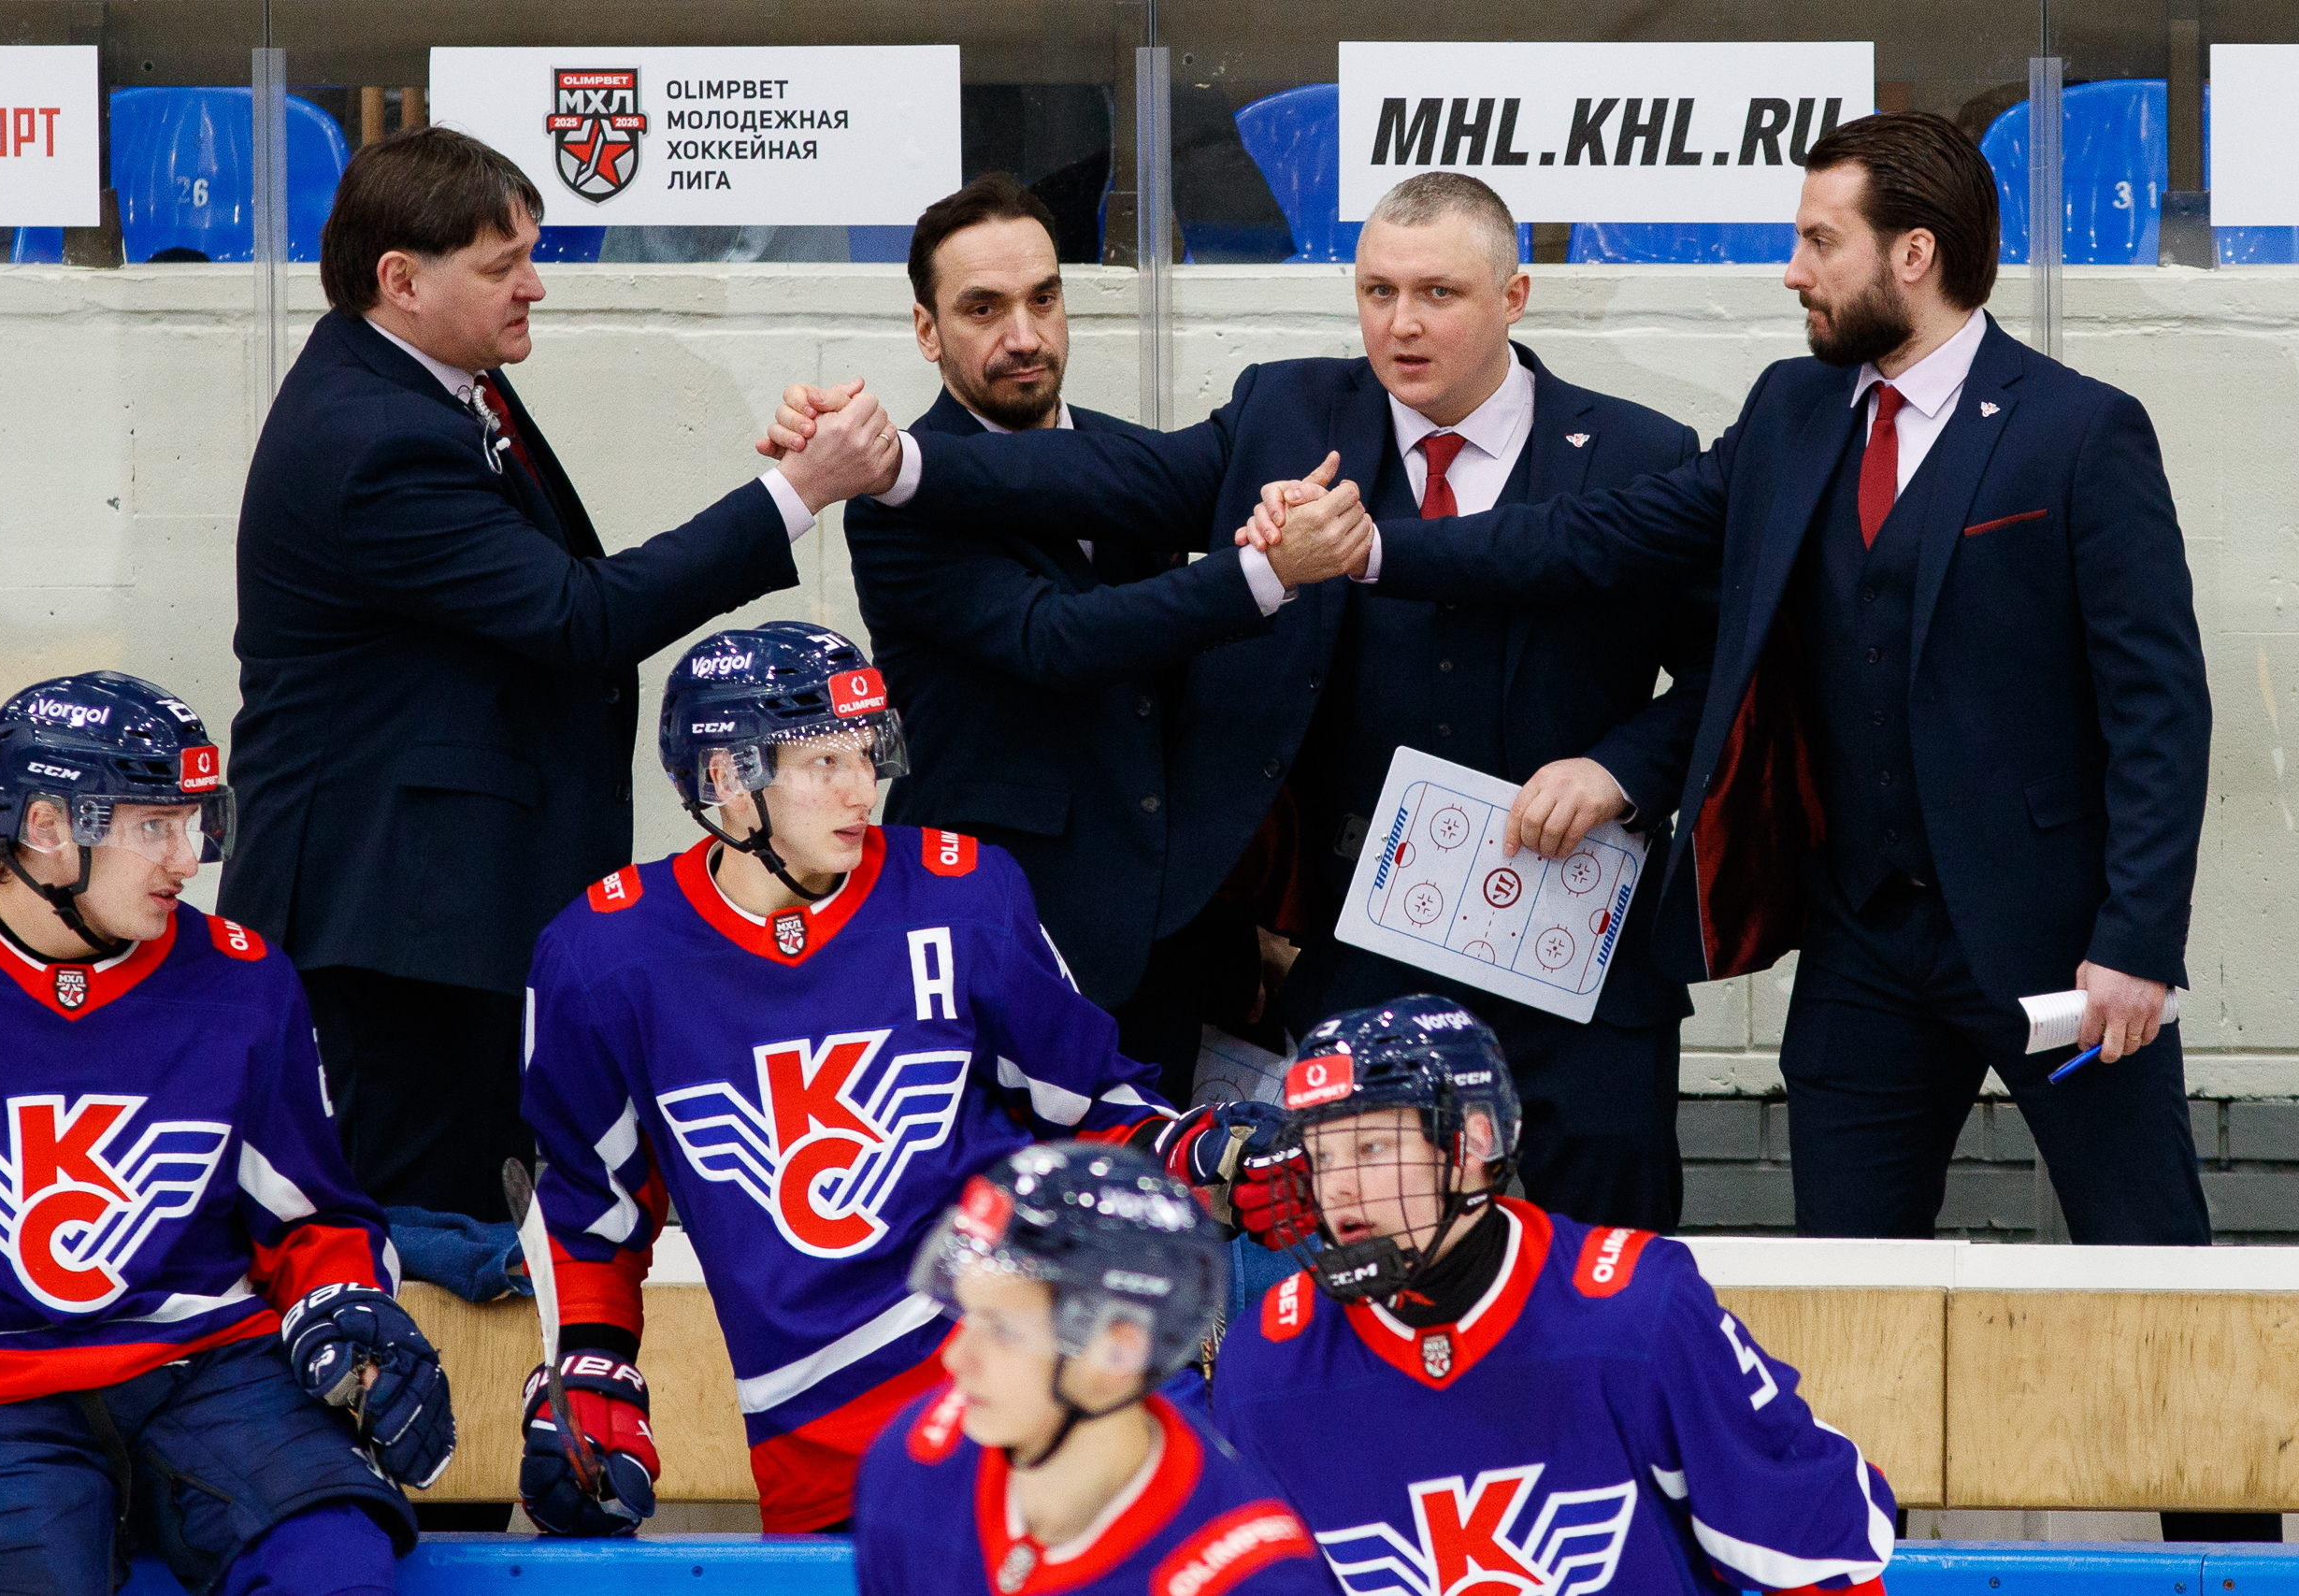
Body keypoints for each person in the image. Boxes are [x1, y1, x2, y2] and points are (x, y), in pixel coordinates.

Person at [1243, 114, 2213, 1253]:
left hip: (2057, 942)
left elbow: (2158, 710)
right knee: (1851, 1275)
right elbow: (1593, 535)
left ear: (1912, 255)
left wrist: (2135, 940)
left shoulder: (2080, 431)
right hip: (1862, 943)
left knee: (2151, 1257)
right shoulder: (1794, 410)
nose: (1792, 270)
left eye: (1819, 242)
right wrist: (1371, 549)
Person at [773, 171, 1714, 1229]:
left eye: (1439, 294)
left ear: (1515, 297)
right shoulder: (1290, 414)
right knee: (1353, 1250)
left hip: (1578, 952)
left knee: (1613, 1261)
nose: (1401, 323)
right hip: (1363, 949)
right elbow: (1091, 481)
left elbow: (1723, 675)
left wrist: (1622, 769)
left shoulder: (1642, 455)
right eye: (1377, 291)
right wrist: (891, 462)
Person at [221, 125, 899, 1237]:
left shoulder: (439, 378)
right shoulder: (369, 436)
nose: (535, 285)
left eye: (531, 254)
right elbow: (577, 616)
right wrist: (797, 492)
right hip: (393, 933)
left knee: (494, 1220)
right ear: (402, 281)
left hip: (443, 914)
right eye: (503, 267)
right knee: (428, 1242)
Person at [515, 623, 1210, 1537]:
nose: (861, 788)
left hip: (1044, 1386)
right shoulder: (604, 957)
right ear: (726, 778)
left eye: (866, 751)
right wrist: (591, 1369)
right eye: (823, 762)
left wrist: (1205, 1151)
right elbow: (588, 1209)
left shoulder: (963, 893)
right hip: (826, 1456)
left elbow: (1093, 1110)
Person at [0, 672, 454, 1594]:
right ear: (47, 826)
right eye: (153, 827)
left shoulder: (241, 980)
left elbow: (311, 1214)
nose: (187, 859)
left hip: (207, 1373)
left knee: (331, 1565)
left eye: (194, 823)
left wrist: (343, 1303)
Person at [829, 174, 1320, 1086]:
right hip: (992, 943)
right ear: (927, 330)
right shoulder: (896, 501)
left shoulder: (1127, 458)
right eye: (984, 308)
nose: (1025, 336)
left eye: (1044, 299)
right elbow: (1057, 640)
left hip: (1167, 951)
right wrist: (1263, 571)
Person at [1211, 999, 1895, 1595]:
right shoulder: (1267, 1361)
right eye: (1321, 1156)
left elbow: (1817, 1554)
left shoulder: (1639, 1312)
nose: (1336, 1188)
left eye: (1369, 1149)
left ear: (1473, 1143)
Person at [857, 1143, 1333, 1596]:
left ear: (1118, 1352)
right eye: (968, 1316)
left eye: (1002, 1330)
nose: (956, 1359)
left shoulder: (1254, 1579)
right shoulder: (915, 1460)